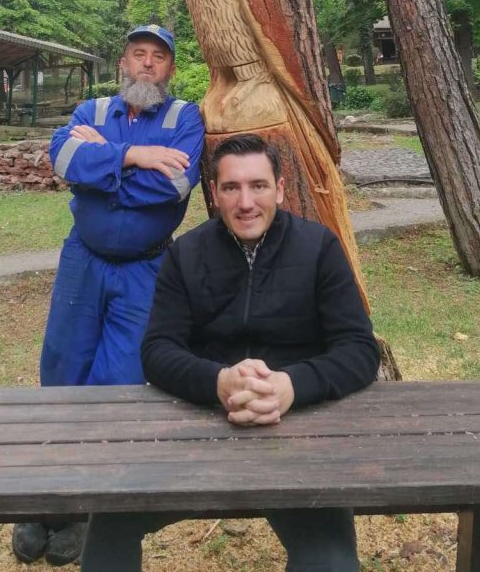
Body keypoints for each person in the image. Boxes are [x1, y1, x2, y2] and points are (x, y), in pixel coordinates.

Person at [80, 132, 380, 572]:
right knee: (110, 520)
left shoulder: (319, 248)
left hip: (299, 432)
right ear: (214, 193)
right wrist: (218, 382)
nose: (246, 202)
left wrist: (291, 386)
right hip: (201, 427)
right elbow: (158, 349)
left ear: (280, 188)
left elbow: (359, 349)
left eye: (258, 186)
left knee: (330, 563)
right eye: (231, 187)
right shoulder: (186, 254)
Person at [12, 25, 205, 566]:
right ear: (123, 62)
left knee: (119, 380)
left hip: (146, 269)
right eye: (138, 54)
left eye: (158, 57)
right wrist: (136, 155)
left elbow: (173, 186)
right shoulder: (91, 109)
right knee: (61, 371)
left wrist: (104, 164)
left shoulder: (185, 118)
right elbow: (63, 161)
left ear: (170, 68)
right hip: (84, 261)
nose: (147, 64)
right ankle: (47, 500)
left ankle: (88, 508)